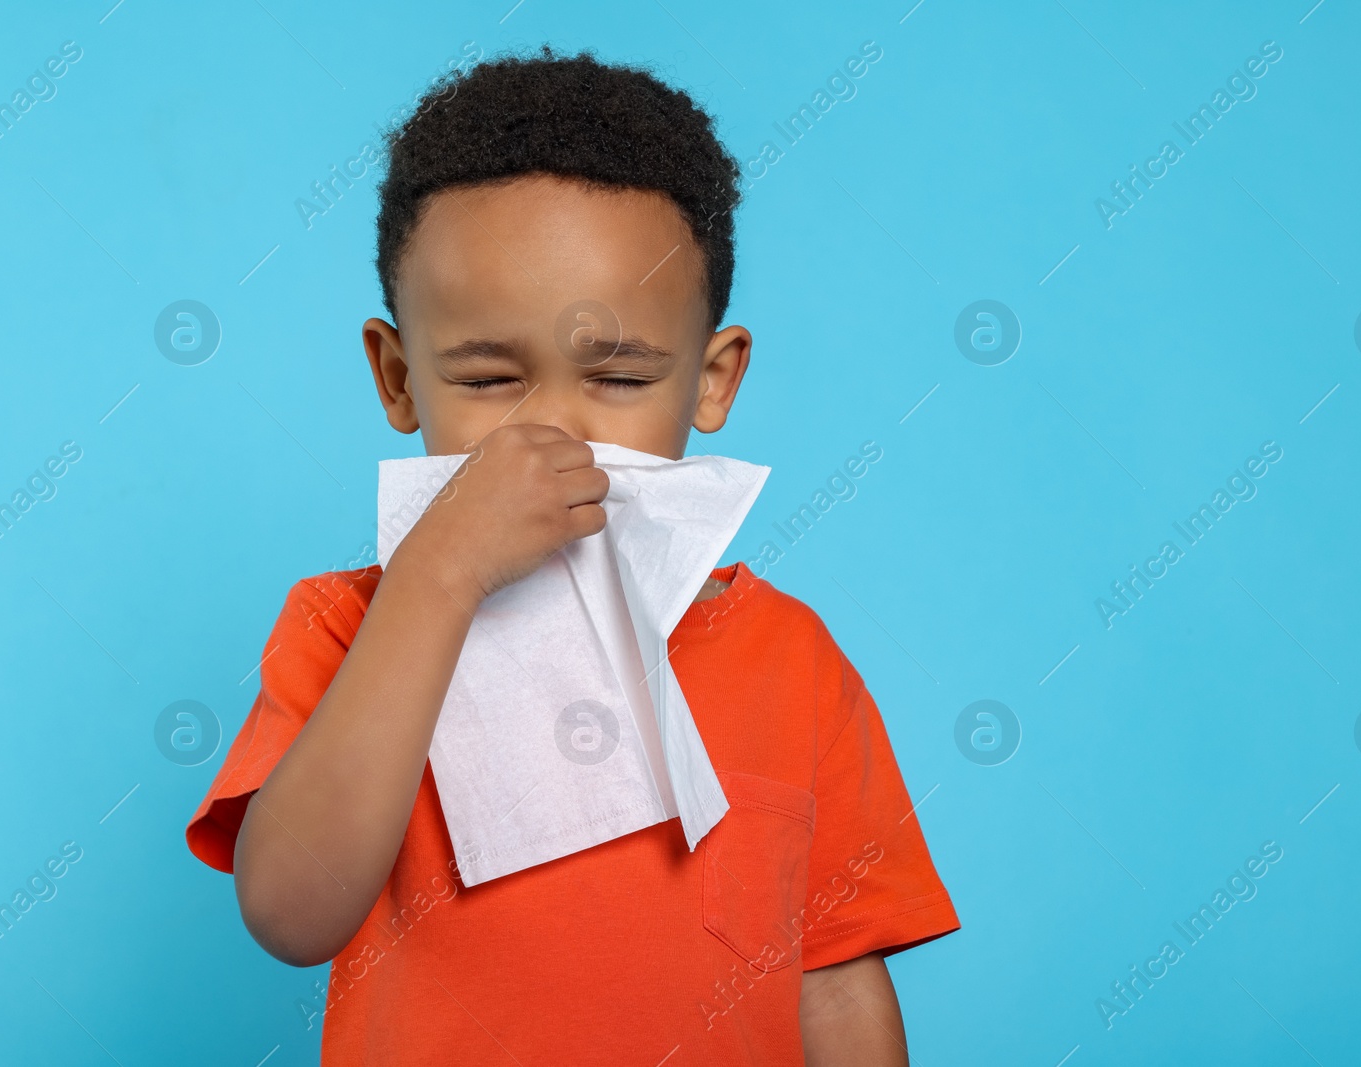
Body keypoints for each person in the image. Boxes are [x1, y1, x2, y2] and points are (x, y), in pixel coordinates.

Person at [185, 44, 958, 1066]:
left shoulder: (792, 659)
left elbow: (835, 974)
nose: (552, 430)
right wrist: (438, 575)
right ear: (398, 376)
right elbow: (291, 914)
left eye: (621, 380)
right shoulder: (344, 626)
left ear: (712, 380)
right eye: (491, 379)